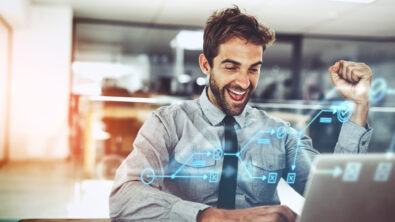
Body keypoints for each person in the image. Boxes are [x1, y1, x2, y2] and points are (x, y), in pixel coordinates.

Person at [109, 6, 373, 222]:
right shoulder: (168, 123)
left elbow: (336, 194)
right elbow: (123, 198)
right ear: (206, 65)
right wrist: (212, 217)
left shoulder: (279, 133)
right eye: (231, 67)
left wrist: (360, 105)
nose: (244, 82)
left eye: (253, 69)